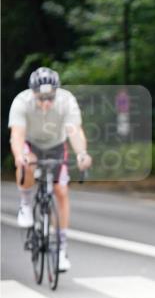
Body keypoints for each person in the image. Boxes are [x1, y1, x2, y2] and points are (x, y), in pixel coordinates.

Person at [8, 67, 93, 271]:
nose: (46, 103)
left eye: (50, 98)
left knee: (61, 191)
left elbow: (74, 131)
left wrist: (81, 153)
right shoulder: (21, 102)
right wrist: (19, 156)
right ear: (32, 93)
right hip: (31, 143)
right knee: (27, 161)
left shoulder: (67, 101)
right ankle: (26, 204)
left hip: (55, 145)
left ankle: (61, 250)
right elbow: (17, 135)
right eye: (41, 98)